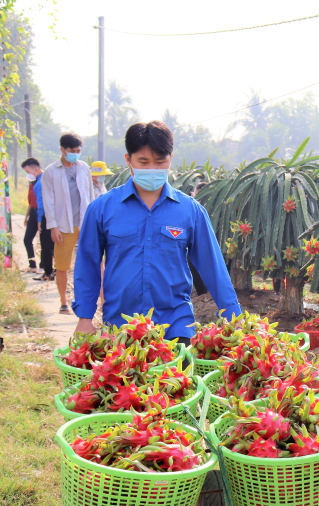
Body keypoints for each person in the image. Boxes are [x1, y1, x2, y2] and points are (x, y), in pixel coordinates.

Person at [72, 121, 241, 344]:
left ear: (170, 159)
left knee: (177, 379)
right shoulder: (102, 209)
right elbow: (88, 262)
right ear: (128, 160)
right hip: (121, 326)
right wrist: (85, 317)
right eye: (143, 162)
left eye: (160, 162)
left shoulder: (190, 211)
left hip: (175, 325)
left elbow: (213, 266)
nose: (152, 168)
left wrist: (233, 315)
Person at [42, 133, 101, 313]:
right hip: (63, 226)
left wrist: (94, 222)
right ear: (62, 150)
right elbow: (48, 201)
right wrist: (53, 227)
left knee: (94, 262)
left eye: (78, 151)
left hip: (84, 224)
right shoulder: (51, 172)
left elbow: (90, 197)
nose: (75, 154)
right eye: (72, 151)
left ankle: (99, 301)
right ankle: (63, 301)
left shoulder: (84, 169)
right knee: (62, 265)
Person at [21, 158, 43, 273]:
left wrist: (40, 219)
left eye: (28, 172)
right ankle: (32, 264)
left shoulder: (44, 181)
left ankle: (44, 266)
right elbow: (31, 202)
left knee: (44, 241)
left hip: (42, 213)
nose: (28, 175)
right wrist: (27, 216)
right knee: (27, 239)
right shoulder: (32, 183)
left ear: (35, 168)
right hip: (33, 213)